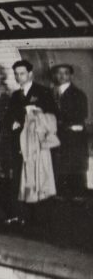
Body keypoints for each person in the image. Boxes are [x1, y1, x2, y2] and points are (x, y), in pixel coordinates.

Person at [5, 59, 57, 226]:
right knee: (18, 179)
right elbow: (8, 118)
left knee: (35, 179)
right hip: (18, 144)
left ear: (30, 74)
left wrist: (34, 116)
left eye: (22, 73)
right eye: (16, 74)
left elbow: (53, 115)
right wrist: (12, 123)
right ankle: (18, 215)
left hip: (35, 145)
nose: (18, 77)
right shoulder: (15, 95)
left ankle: (36, 218)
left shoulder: (43, 92)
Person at [52, 64, 89, 198]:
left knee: (75, 165)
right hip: (58, 136)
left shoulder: (78, 94)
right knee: (59, 165)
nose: (62, 76)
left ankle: (78, 194)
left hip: (73, 137)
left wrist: (60, 124)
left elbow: (80, 116)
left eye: (66, 73)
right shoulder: (52, 93)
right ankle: (61, 193)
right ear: (55, 75)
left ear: (71, 76)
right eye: (59, 73)